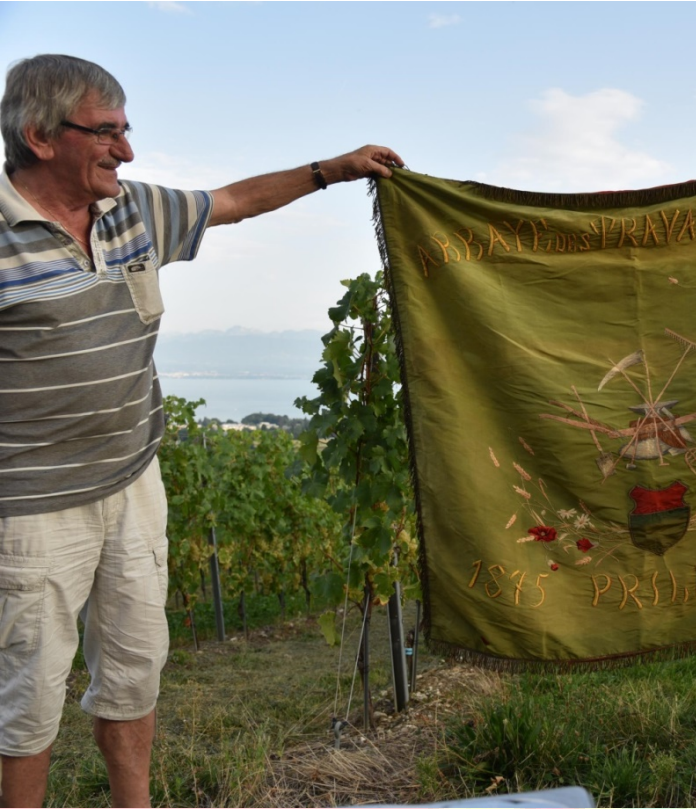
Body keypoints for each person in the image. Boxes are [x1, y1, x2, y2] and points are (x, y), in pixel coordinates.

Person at [0, 54, 402, 808]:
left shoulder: (131, 209)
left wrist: (334, 169)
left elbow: (234, 201)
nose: (126, 150)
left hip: (132, 486)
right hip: (31, 511)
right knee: (26, 695)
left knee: (134, 666)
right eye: (107, 132)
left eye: (126, 130)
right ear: (41, 137)